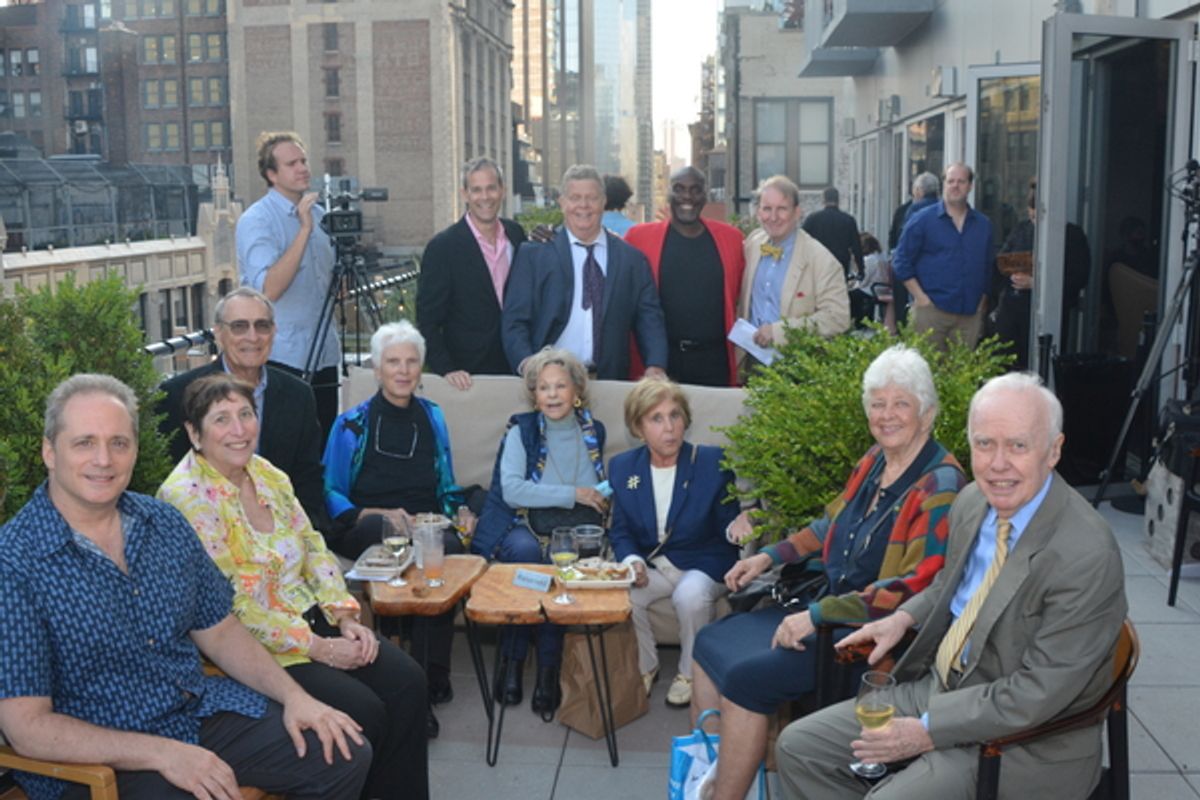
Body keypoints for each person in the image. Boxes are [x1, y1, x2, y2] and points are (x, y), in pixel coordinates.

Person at [0, 374, 368, 800]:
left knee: (341, 750)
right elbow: (27, 727)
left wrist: (295, 697)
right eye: (84, 443)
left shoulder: (163, 523)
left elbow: (221, 630)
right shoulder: (14, 561)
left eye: (119, 443)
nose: (104, 459)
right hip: (96, 757)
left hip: (192, 713)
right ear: (49, 451)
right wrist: (163, 754)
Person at [774, 372, 1128, 800]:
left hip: (1024, 742)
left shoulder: (1086, 553)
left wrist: (927, 730)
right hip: (941, 689)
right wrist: (903, 618)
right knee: (798, 748)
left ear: (1053, 450)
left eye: (1018, 445)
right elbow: (951, 583)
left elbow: (1037, 693)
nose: (998, 464)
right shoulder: (973, 502)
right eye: (984, 444)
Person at [689, 345, 966, 800]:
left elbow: (915, 586)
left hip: (868, 639)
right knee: (708, 643)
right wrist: (768, 556)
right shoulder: (874, 460)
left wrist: (817, 615)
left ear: (927, 413)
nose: (886, 415)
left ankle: (727, 793)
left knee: (744, 679)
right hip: (825, 609)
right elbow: (829, 525)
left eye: (901, 403)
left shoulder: (941, 484)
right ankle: (714, 774)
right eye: (877, 403)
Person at [158, 373, 428, 800]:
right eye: (222, 419)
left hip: (313, 617)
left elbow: (313, 545)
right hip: (258, 646)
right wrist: (319, 647)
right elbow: (233, 605)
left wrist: (345, 616)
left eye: (246, 414)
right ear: (194, 433)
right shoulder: (185, 499)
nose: (239, 429)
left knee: (409, 682)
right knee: (365, 713)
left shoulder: (266, 473)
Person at [323, 320, 469, 737]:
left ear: (421, 368)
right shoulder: (351, 424)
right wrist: (375, 512)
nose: (403, 371)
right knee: (393, 538)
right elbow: (330, 491)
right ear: (377, 368)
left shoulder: (433, 416)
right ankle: (415, 692)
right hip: (366, 521)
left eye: (411, 361)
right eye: (393, 362)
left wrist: (458, 511)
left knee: (446, 550)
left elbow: (446, 482)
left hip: (425, 521)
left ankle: (432, 670)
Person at [472, 347, 609, 713]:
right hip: (522, 522)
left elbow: (594, 490)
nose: (552, 394)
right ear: (534, 395)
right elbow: (513, 490)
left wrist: (598, 496)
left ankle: (549, 669)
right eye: (544, 387)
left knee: (560, 559)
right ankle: (512, 661)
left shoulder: (593, 431)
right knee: (528, 555)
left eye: (560, 386)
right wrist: (573, 494)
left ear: (576, 390)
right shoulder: (523, 431)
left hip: (571, 528)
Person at [607, 378, 741, 707]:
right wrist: (632, 561)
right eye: (656, 418)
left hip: (703, 562)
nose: (669, 428)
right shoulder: (623, 468)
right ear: (638, 428)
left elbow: (729, 527)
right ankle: (645, 666)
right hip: (656, 565)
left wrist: (741, 524)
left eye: (675, 415)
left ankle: (690, 673)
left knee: (689, 595)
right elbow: (620, 530)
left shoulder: (711, 462)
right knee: (623, 592)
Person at [158, 287, 331, 535]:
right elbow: (170, 476)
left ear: (274, 332)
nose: (253, 337)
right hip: (207, 533)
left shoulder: (298, 395)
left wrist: (302, 538)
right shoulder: (179, 395)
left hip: (284, 530)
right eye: (239, 326)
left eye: (262, 326)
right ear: (219, 333)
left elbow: (308, 478)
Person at [501, 164, 669, 381]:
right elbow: (514, 321)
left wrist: (655, 365)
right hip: (549, 383)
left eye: (592, 198)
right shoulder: (534, 255)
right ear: (562, 203)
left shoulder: (632, 260)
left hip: (608, 382)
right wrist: (527, 365)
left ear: (604, 201)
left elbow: (649, 318)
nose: (583, 205)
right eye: (575, 198)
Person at [237, 131, 340, 439]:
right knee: (288, 446)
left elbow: (331, 286)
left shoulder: (320, 217)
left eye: (303, 161)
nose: (302, 169)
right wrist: (303, 230)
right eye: (292, 164)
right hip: (283, 358)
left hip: (324, 353)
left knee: (323, 444)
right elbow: (268, 290)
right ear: (271, 174)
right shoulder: (257, 220)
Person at [626, 166, 746, 386]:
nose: (687, 196)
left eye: (695, 189)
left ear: (705, 195)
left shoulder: (732, 240)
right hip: (660, 363)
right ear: (668, 193)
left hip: (714, 361)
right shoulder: (638, 238)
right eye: (679, 189)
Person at [417, 157, 529, 391]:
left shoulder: (516, 235)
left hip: (517, 370)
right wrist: (446, 369)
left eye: (491, 188)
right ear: (465, 194)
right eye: (476, 190)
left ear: (502, 190)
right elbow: (427, 320)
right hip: (467, 378)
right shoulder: (443, 247)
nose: (485, 197)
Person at [737, 175, 850, 372]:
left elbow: (837, 318)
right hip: (750, 361)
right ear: (758, 212)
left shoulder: (822, 260)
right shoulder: (753, 244)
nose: (773, 217)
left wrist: (780, 332)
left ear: (797, 212)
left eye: (782, 208)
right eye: (767, 208)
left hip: (797, 368)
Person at [892, 163, 994, 350]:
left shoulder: (983, 225)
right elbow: (901, 260)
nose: (955, 186)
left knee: (962, 368)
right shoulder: (922, 220)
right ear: (943, 184)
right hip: (931, 312)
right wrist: (921, 298)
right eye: (951, 181)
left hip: (969, 315)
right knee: (926, 366)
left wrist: (981, 304)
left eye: (961, 181)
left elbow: (988, 267)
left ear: (970, 186)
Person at [990, 179, 1090, 369]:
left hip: (1048, 314)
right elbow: (1000, 262)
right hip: (1012, 312)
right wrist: (1011, 274)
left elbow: (1079, 277)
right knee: (1007, 367)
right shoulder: (1022, 228)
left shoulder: (1072, 235)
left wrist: (1037, 282)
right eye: (1031, 211)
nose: (1034, 217)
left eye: (1039, 212)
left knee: (1041, 366)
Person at [802, 186, 866, 324]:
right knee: (837, 297)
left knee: (816, 296)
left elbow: (801, 241)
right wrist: (861, 270)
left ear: (823, 200)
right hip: (840, 264)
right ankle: (837, 324)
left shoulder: (813, 219)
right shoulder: (848, 220)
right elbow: (856, 248)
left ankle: (816, 324)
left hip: (817, 264)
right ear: (838, 200)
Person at [888, 172, 939, 326]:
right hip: (936, 275)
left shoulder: (911, 211)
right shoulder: (945, 210)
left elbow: (897, 241)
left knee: (912, 317)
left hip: (913, 272)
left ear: (918, 191)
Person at [857, 233, 895, 332]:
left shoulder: (868, 259)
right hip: (883, 288)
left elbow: (865, 280)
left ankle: (859, 324)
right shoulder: (882, 257)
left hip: (872, 289)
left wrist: (855, 285)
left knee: (852, 295)